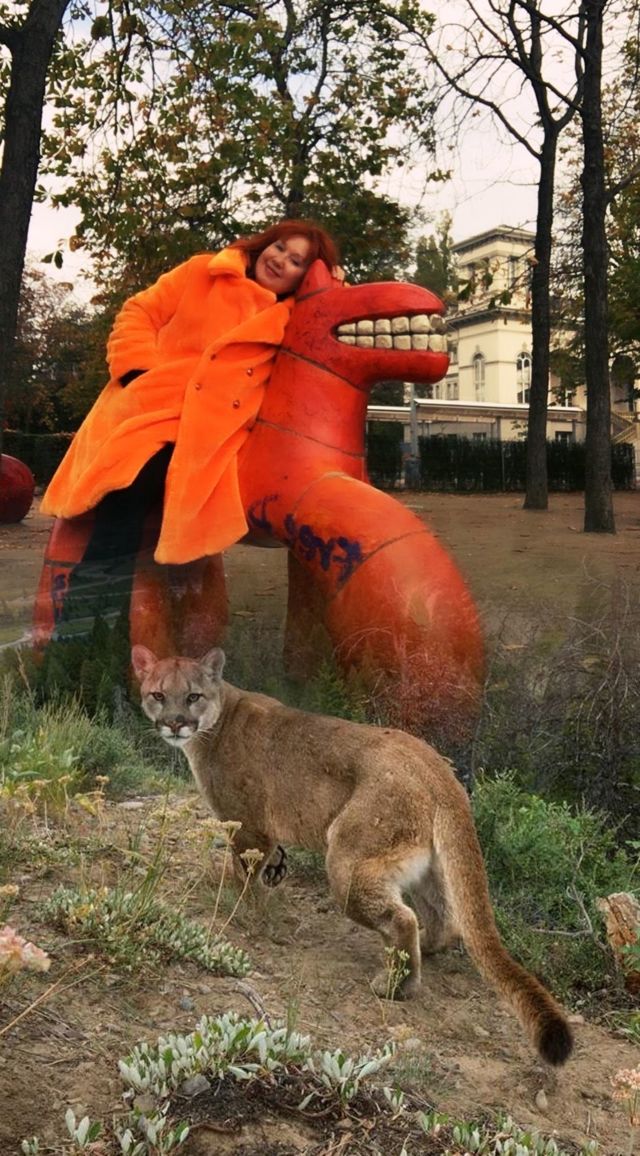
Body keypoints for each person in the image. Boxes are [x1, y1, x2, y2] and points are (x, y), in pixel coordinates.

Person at [40, 219, 341, 632]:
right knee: (124, 507)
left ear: (304, 277)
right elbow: (139, 311)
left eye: (296, 261)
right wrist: (136, 370)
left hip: (208, 434)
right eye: (279, 247)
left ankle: (110, 640)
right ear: (264, 244)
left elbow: (331, 324)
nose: (280, 260)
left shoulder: (288, 319)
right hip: (150, 409)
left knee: (162, 528)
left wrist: (331, 282)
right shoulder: (204, 272)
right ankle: (78, 639)